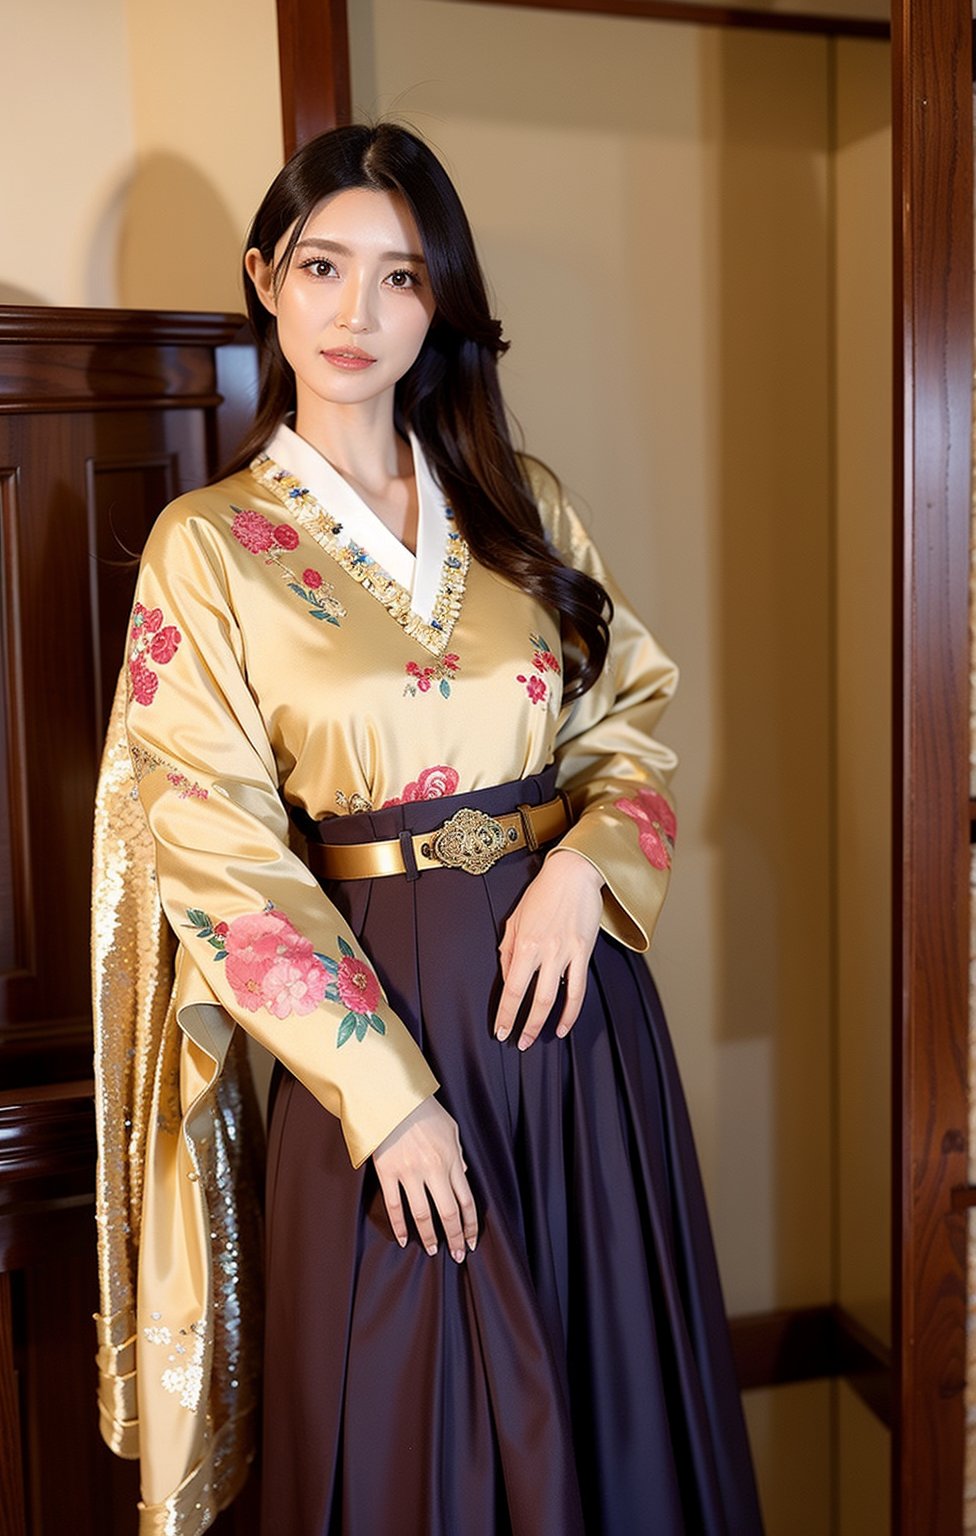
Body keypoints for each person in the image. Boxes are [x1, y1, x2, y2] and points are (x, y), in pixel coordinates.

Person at [92, 122, 763, 1535]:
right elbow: (211, 838)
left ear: (438, 304)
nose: (356, 312)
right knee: (413, 1444)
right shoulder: (207, 548)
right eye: (324, 267)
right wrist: (384, 1098)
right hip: (376, 1046)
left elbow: (629, 716)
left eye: (399, 279)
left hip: (578, 1021)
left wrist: (587, 865)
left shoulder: (524, 511)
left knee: (613, 1414)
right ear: (264, 278)